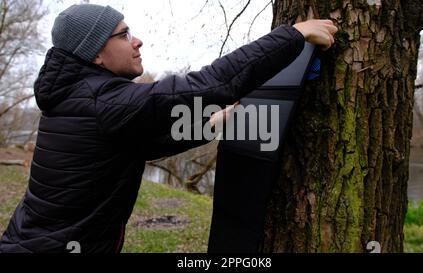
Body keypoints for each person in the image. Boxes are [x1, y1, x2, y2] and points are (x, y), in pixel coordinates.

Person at [0, 4, 337, 253]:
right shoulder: (105, 102)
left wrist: (211, 124)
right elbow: (212, 83)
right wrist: (293, 35)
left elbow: (145, 145)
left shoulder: (78, 99)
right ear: (96, 55)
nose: (138, 41)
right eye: (124, 34)